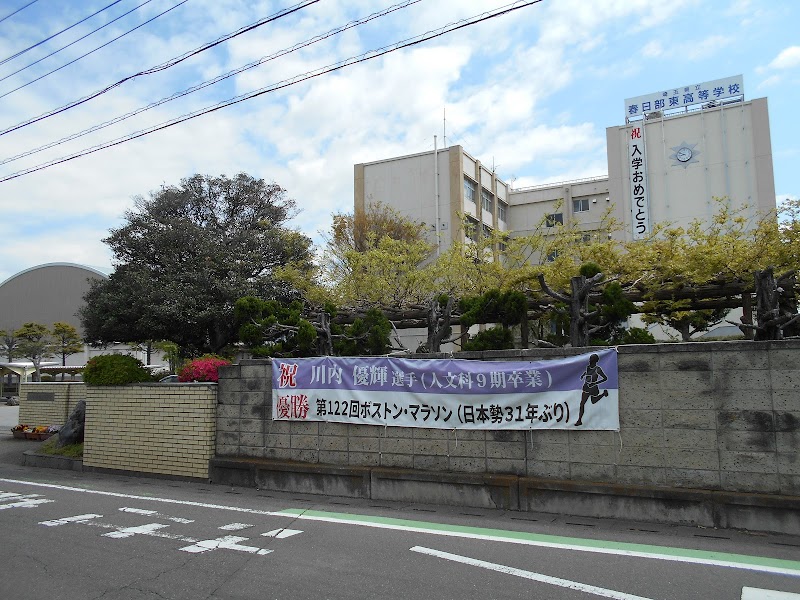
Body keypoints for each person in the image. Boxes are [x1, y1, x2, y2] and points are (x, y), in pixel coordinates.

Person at [574, 353, 608, 426]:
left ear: (595, 361)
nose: (590, 361)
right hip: (586, 386)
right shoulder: (588, 367)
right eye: (590, 359)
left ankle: (603, 394)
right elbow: (588, 372)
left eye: (591, 359)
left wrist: (595, 383)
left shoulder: (598, 369)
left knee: (593, 401)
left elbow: (605, 378)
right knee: (582, 403)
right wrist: (584, 375)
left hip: (593, 387)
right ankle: (579, 420)